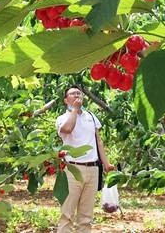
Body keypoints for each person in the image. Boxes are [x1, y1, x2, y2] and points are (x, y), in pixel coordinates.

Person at [55, 86, 114, 233]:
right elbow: (67, 129)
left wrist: (106, 164)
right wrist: (75, 109)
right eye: (72, 94)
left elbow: (98, 141)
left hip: (93, 169)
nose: (77, 95)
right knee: (67, 214)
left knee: (86, 217)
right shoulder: (62, 118)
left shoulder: (91, 117)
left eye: (79, 93)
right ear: (65, 100)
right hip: (72, 169)